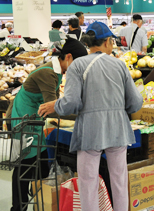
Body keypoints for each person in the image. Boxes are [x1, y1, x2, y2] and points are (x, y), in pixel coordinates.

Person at [38, 21, 143, 211]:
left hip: (90, 130)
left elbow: (71, 103)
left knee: (88, 183)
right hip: (118, 128)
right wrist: (119, 108)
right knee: (119, 179)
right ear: (108, 42)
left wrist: (56, 105)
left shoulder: (78, 65)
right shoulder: (120, 65)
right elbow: (135, 103)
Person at [9, 37, 88, 211]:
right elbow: (53, 107)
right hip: (25, 116)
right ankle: (18, 206)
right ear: (68, 57)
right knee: (27, 161)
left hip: (34, 116)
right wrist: (81, 113)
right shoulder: (49, 73)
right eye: (78, 62)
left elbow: (55, 103)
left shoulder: (56, 69)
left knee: (41, 160)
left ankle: (40, 197)